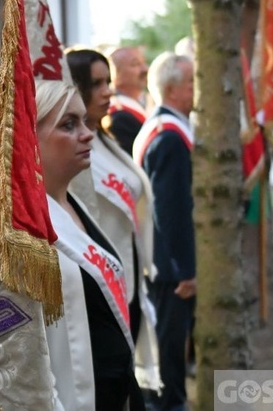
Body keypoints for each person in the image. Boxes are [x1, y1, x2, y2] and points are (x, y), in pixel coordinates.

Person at [36, 79, 144, 410]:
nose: (87, 133)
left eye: (83, 120)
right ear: (28, 137)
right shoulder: (21, 229)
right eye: (69, 124)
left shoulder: (73, 202)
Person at [65, 47, 160, 392]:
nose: (108, 90)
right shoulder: (71, 149)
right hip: (100, 285)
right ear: (73, 87)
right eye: (96, 83)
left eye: (108, 81)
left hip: (128, 275)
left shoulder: (105, 139)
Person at [133, 52, 195, 411]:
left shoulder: (160, 125)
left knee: (167, 348)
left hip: (159, 259)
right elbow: (171, 211)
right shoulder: (170, 136)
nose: (195, 90)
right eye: (190, 83)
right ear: (172, 89)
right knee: (170, 351)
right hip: (169, 267)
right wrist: (185, 271)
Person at [106, 46, 150, 155]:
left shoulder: (143, 103)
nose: (145, 69)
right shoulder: (119, 117)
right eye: (135, 64)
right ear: (115, 73)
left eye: (144, 63)